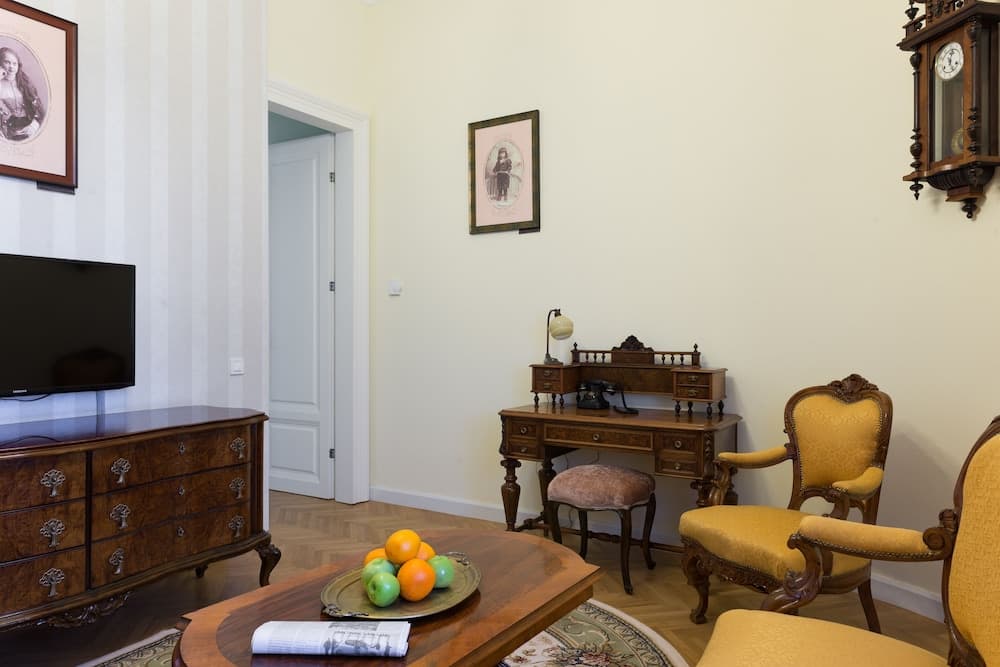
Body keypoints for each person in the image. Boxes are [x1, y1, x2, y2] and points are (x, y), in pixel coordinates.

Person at [0, 46, 44, 142]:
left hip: (28, 127)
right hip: (5, 131)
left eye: (14, 63)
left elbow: (38, 109)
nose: (11, 67)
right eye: (7, 62)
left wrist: (33, 126)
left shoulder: (25, 83)